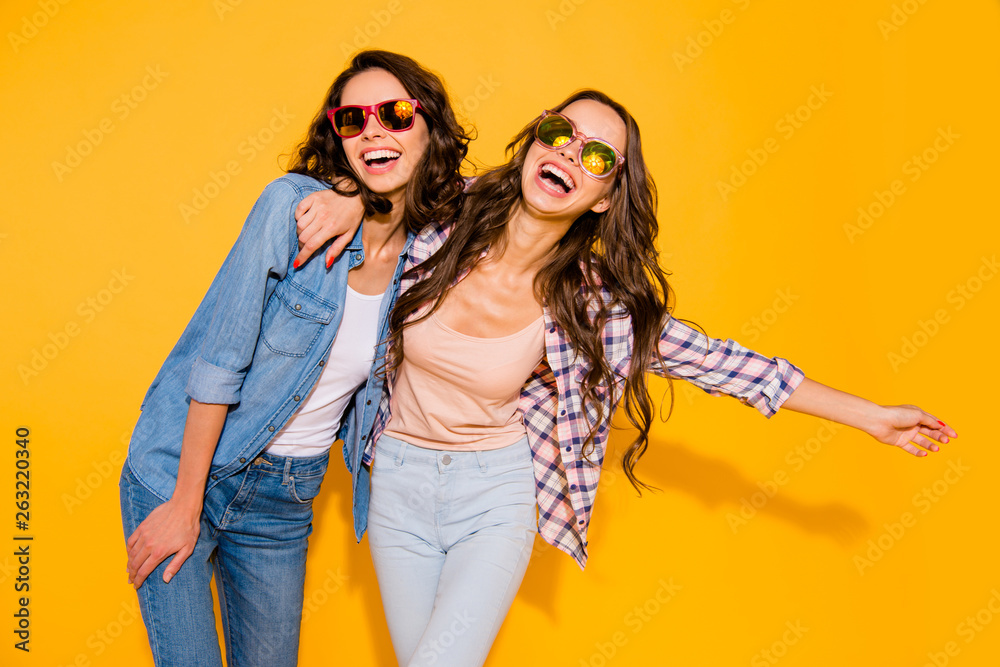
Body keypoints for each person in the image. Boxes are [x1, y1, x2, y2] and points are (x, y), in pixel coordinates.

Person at [298, 89, 957, 667]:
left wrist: (871, 415)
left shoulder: (594, 305)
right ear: (535, 141)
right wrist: (351, 200)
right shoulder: (441, 215)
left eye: (595, 155)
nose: (568, 153)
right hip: (398, 487)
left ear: (606, 194)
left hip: (493, 497)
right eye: (561, 134)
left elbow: (728, 364)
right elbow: (380, 172)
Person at [118, 50, 469, 666]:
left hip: (284, 502)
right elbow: (219, 359)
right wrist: (184, 505)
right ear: (337, 137)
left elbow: (510, 200)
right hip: (184, 471)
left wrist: (363, 200)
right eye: (353, 120)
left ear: (430, 128)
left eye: (395, 113)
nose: (373, 132)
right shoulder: (294, 210)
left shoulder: (431, 252)